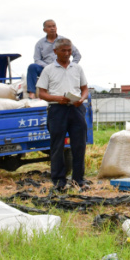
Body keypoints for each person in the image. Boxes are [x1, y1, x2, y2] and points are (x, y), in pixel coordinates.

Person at [36, 38, 89, 191]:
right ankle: (59, 181)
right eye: (63, 51)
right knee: (57, 145)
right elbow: (42, 93)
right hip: (57, 110)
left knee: (79, 145)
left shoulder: (77, 68)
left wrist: (82, 99)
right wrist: (57, 98)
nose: (67, 54)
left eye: (69, 51)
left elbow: (84, 89)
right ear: (55, 51)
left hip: (76, 108)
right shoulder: (48, 70)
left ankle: (78, 180)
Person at [28, 19, 81, 99]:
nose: (52, 28)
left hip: (62, 67)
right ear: (44, 30)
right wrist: (47, 67)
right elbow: (37, 59)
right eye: (49, 27)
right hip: (45, 68)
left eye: (54, 26)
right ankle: (32, 93)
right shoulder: (40, 43)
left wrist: (71, 66)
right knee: (32, 67)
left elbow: (77, 55)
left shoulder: (64, 41)